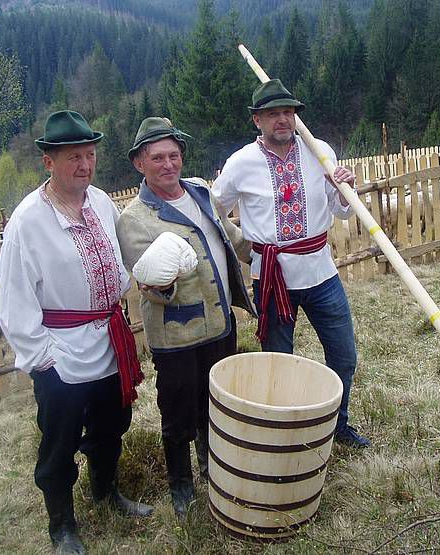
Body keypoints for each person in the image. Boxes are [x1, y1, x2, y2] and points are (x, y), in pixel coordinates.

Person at [0, 110, 153, 555]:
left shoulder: (101, 202)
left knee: (113, 424)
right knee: (59, 440)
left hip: (108, 341)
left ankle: (106, 491)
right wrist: (44, 358)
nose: (84, 165)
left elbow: (122, 260)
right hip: (61, 351)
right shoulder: (27, 222)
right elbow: (14, 303)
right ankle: (62, 525)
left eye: (90, 155)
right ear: (49, 162)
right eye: (73, 158)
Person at [211, 79, 370, 448]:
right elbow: (214, 210)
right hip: (271, 278)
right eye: (272, 114)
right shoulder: (240, 163)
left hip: (321, 273)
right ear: (257, 120)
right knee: (278, 363)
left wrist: (345, 188)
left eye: (288, 112)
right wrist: (244, 247)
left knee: (344, 356)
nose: (282, 119)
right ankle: (284, 436)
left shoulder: (319, 150)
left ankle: (337, 425)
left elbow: (342, 211)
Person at [116, 117, 256, 517]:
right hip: (176, 335)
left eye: (173, 155)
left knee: (217, 402)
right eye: (157, 158)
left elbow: (229, 236)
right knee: (178, 412)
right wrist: (161, 282)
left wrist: (264, 254)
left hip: (220, 323)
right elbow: (149, 282)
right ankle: (181, 484)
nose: (168, 164)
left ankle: (213, 466)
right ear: (139, 163)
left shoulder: (200, 192)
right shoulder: (134, 219)